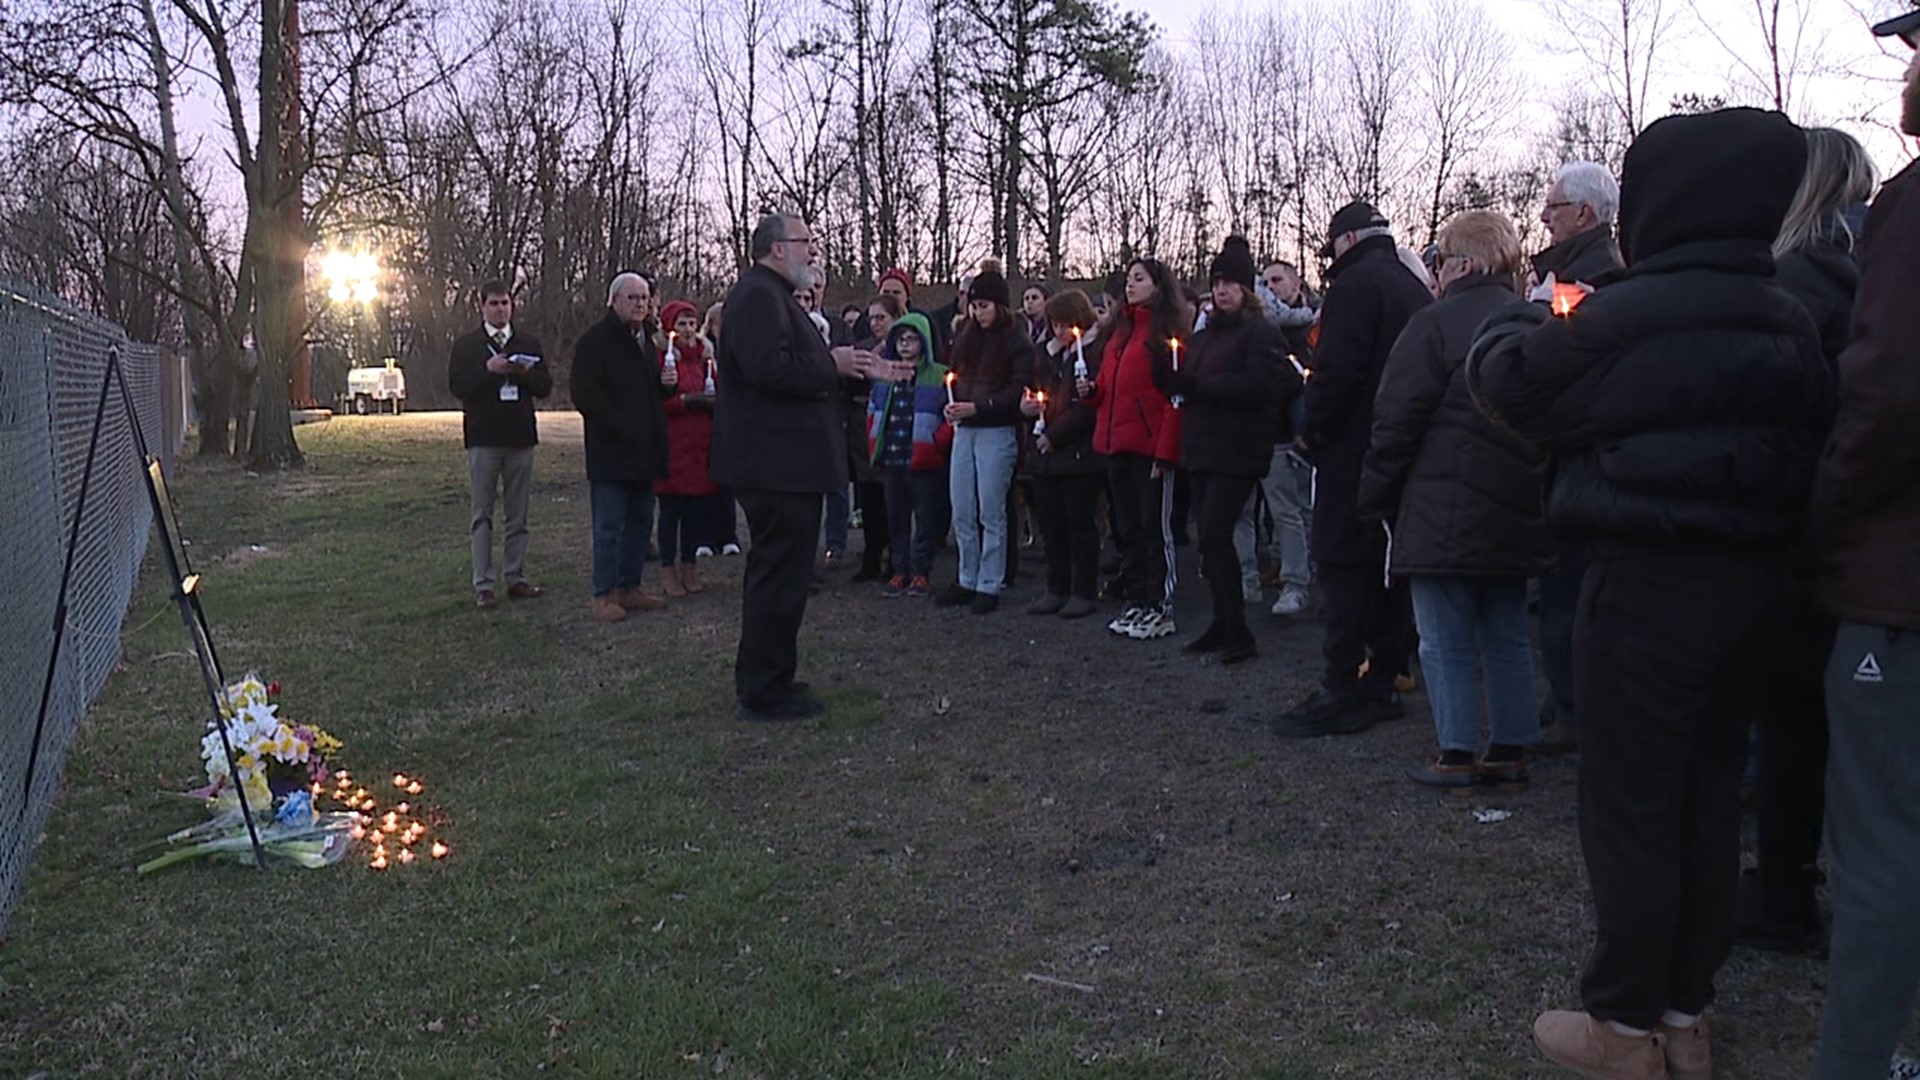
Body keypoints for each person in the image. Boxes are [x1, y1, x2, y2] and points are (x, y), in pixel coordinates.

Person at [1466, 108, 1831, 1080]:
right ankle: (1685, 1017)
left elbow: (1509, 386)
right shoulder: (1788, 315)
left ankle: (1623, 1027)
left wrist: (1530, 305)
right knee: (1708, 800)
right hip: (1756, 592)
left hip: (1646, 589)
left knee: (1630, 806)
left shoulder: (1626, 312)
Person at [1807, 17, 1920, 1076]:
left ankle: (1857, 1062)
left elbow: (1885, 389)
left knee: (1884, 846)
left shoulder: (1914, 202)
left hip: (1902, 588)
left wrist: (1830, 516)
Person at [1357, 211, 1550, 791]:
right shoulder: (1540, 324)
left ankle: (1457, 748)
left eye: (1439, 260)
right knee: (1507, 630)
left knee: (1442, 637)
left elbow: (1396, 420)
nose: (1434, 271)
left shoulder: (1432, 326)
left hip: (1443, 508)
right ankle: (1511, 747)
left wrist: (1374, 494)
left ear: (1463, 263)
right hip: (1518, 506)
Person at [1737, 127, 1871, 957]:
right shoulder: (1870, 271)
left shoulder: (1793, 281)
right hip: (1860, 536)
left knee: (1794, 719)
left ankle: (1787, 890)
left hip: (1806, 533)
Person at [711, 213, 901, 721]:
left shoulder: (770, 296)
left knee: (785, 573)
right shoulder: (757, 296)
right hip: (775, 464)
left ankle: (771, 676)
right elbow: (767, 369)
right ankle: (764, 689)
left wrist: (853, 368)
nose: (813, 253)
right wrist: (831, 363)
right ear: (777, 249)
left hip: (785, 462)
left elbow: (791, 368)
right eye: (805, 243)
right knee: (778, 573)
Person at [1275, 201, 1432, 737]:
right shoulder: (1413, 287)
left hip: (1351, 449)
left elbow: (1338, 370)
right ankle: (1385, 675)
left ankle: (1340, 681)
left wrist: (1312, 427)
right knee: (1388, 567)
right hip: (1401, 447)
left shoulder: (1355, 288)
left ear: (1346, 241)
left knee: (1342, 561)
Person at [1529, 160, 1627, 753]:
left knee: (1573, 595)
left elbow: (1558, 361)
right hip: (1569, 456)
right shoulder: (1571, 271)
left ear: (1584, 214)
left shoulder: (1593, 280)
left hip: (1581, 459)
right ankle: (1567, 699)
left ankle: (1576, 709)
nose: (1545, 218)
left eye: (1555, 208)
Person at [1155, 241, 1289, 663]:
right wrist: (1168, 373)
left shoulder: (1261, 332)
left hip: (1239, 446)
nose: (1221, 290)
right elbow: (1186, 379)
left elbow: (1259, 387)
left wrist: (1199, 388)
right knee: (1210, 538)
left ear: (1245, 288)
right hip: (1204, 446)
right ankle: (1222, 621)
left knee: (1215, 531)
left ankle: (1238, 629)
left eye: (1230, 282)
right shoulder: (1206, 334)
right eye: (1216, 283)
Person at [1084, 259, 1189, 641]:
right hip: (1117, 444)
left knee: (1153, 528)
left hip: (1149, 447)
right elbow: (1110, 389)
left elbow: (1172, 399)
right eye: (1128, 280)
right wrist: (1093, 394)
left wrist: (1165, 452)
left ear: (1158, 285)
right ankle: (1139, 598)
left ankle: (1161, 604)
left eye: (1139, 279)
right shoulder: (1118, 333)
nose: (1130, 286)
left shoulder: (1164, 334)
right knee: (1127, 528)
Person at [572, 272, 677, 622]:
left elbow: (648, 393)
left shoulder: (646, 339)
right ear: (614, 300)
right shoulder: (594, 342)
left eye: (644, 298)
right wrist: (621, 427)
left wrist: (666, 387)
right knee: (609, 527)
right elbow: (585, 396)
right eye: (632, 298)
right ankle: (604, 594)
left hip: (645, 451)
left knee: (640, 523)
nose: (640, 304)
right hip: (612, 452)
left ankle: (630, 587)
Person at [934, 267, 1034, 615]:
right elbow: (957, 377)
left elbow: (1015, 390)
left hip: (996, 430)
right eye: (975, 305)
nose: (978, 311)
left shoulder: (1016, 341)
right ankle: (967, 576)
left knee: (990, 508)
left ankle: (990, 582)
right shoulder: (966, 339)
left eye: (985, 305)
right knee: (962, 507)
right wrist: (954, 405)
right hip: (966, 430)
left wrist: (979, 407)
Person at [447, 280, 552, 609]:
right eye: (494, 303)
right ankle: (484, 584)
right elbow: (457, 386)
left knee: (518, 515)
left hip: (520, 437)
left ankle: (516, 576)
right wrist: (487, 370)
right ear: (482, 306)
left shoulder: (527, 342)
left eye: (505, 303)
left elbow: (545, 386)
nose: (500, 308)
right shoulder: (467, 346)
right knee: (482, 514)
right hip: (484, 439)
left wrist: (523, 373)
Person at [1023, 289, 1105, 620]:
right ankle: (1056, 586)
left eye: (1066, 324)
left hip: (1079, 455)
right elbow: (1035, 389)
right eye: (1055, 324)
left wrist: (1054, 437)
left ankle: (1083, 589)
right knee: (1052, 524)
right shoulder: (1045, 354)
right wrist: (1029, 406)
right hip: (1046, 455)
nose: (1060, 332)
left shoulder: (1093, 354)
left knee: (1080, 525)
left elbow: (1086, 408)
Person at [866, 312, 950, 600]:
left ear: (923, 341)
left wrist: (938, 442)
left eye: (911, 339)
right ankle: (899, 569)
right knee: (896, 516)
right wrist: (872, 443)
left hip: (925, 458)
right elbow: (872, 412)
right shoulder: (884, 377)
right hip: (892, 455)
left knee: (926, 518)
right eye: (900, 339)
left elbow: (949, 415)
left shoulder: (939, 375)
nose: (905, 345)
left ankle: (921, 573)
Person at [1259, 260, 1317, 618]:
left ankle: (1300, 579)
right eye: (1264, 282)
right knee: (1283, 508)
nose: (1270, 288)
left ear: (1296, 286)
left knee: (1296, 508)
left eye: (1277, 280)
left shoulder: (1309, 331)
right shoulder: (1264, 331)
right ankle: (1287, 566)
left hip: (1300, 433)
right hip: (1272, 429)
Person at [654, 300, 719, 599]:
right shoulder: (663, 360)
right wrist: (683, 402)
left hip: (699, 445)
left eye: (692, 323)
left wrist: (713, 401)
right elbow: (657, 401)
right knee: (670, 512)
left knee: (696, 512)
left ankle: (690, 566)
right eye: (682, 324)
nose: (689, 330)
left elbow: (717, 390)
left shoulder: (705, 359)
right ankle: (668, 569)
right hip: (673, 443)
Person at [846, 295, 902, 584]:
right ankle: (871, 556)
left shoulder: (906, 348)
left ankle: (896, 558)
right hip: (864, 429)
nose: (876, 323)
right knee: (869, 498)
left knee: (892, 497)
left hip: (894, 426)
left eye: (882, 317)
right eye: (873, 318)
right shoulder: (865, 348)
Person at [702, 301, 744, 559]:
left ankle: (728, 535)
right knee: (706, 482)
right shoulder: (704, 351)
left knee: (727, 483)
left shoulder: (737, 349)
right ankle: (705, 536)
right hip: (706, 422)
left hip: (729, 421)